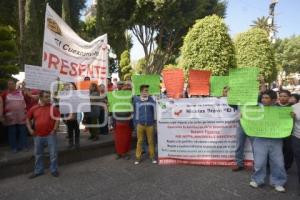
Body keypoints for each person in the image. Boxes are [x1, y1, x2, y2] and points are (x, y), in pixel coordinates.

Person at [248, 90, 287, 193]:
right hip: (260, 139)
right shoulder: (256, 110)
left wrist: (290, 117)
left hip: (276, 140)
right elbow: (249, 120)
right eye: (263, 98)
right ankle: (257, 180)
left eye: (266, 98)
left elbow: (286, 122)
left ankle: (278, 182)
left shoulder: (281, 110)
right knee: (259, 162)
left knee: (278, 163)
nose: (263, 100)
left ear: (273, 100)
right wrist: (244, 117)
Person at [26, 90, 60, 178]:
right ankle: (38, 171)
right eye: (46, 97)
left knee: (53, 154)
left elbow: (57, 118)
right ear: (40, 98)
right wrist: (30, 129)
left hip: (50, 135)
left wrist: (54, 129)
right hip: (37, 135)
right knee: (38, 154)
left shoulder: (53, 108)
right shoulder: (34, 108)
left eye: (49, 96)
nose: (48, 98)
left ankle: (54, 170)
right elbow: (27, 119)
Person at [1, 79, 28, 153]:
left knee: (22, 131)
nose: (11, 85)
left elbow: (27, 97)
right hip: (10, 117)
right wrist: (1, 116)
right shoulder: (4, 93)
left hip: (21, 115)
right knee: (12, 132)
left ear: (15, 84)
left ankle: (23, 146)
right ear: (7, 85)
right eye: (9, 84)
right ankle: (14, 147)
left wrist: (25, 86)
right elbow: (1, 104)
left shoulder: (20, 92)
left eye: (12, 83)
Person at [133, 84, 157, 165]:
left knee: (151, 141)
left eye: (147, 90)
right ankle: (138, 158)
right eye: (145, 90)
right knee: (139, 141)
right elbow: (134, 112)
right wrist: (135, 123)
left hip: (150, 124)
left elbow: (155, 110)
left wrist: (154, 121)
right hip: (140, 124)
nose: (146, 92)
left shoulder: (151, 100)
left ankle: (152, 156)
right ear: (141, 91)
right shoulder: (136, 99)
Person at [112, 84, 133, 160]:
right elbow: (113, 110)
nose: (126, 92)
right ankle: (119, 153)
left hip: (127, 123)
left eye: (128, 91)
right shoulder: (117, 99)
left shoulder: (132, 99)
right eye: (125, 90)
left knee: (127, 139)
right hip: (118, 122)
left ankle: (126, 153)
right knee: (118, 140)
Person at [276, 90, 293, 170]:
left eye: (285, 96)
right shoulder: (274, 106)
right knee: (278, 149)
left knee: (288, 149)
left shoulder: (293, 107)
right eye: (281, 96)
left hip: (289, 132)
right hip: (276, 132)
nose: (282, 98)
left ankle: (286, 166)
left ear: (289, 97)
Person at [63, 83, 80, 149]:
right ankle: (70, 143)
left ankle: (77, 143)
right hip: (68, 114)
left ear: (75, 88)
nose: (71, 88)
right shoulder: (65, 95)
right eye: (70, 87)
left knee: (76, 129)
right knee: (69, 129)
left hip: (76, 115)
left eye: (73, 87)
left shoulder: (78, 95)